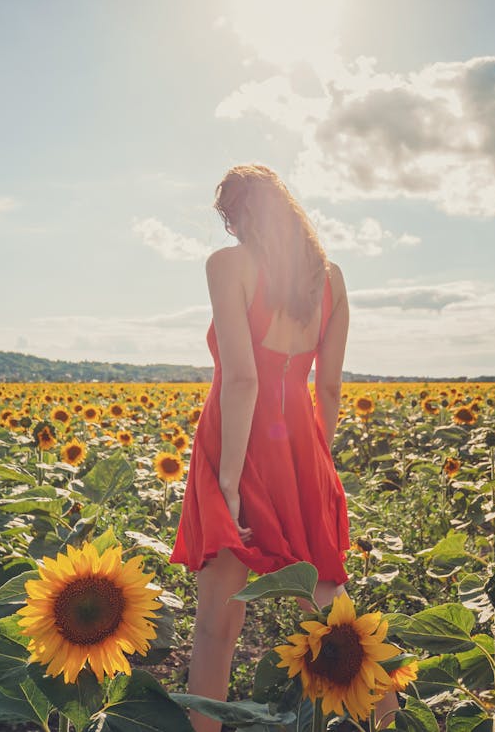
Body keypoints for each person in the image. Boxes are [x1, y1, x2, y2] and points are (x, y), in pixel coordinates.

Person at [168, 164, 395, 731]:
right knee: (334, 614)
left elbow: (243, 380)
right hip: (303, 445)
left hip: (237, 442)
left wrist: (227, 482)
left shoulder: (229, 265)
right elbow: (332, 385)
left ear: (233, 216)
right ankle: (394, 724)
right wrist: (317, 463)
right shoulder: (331, 279)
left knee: (217, 627)